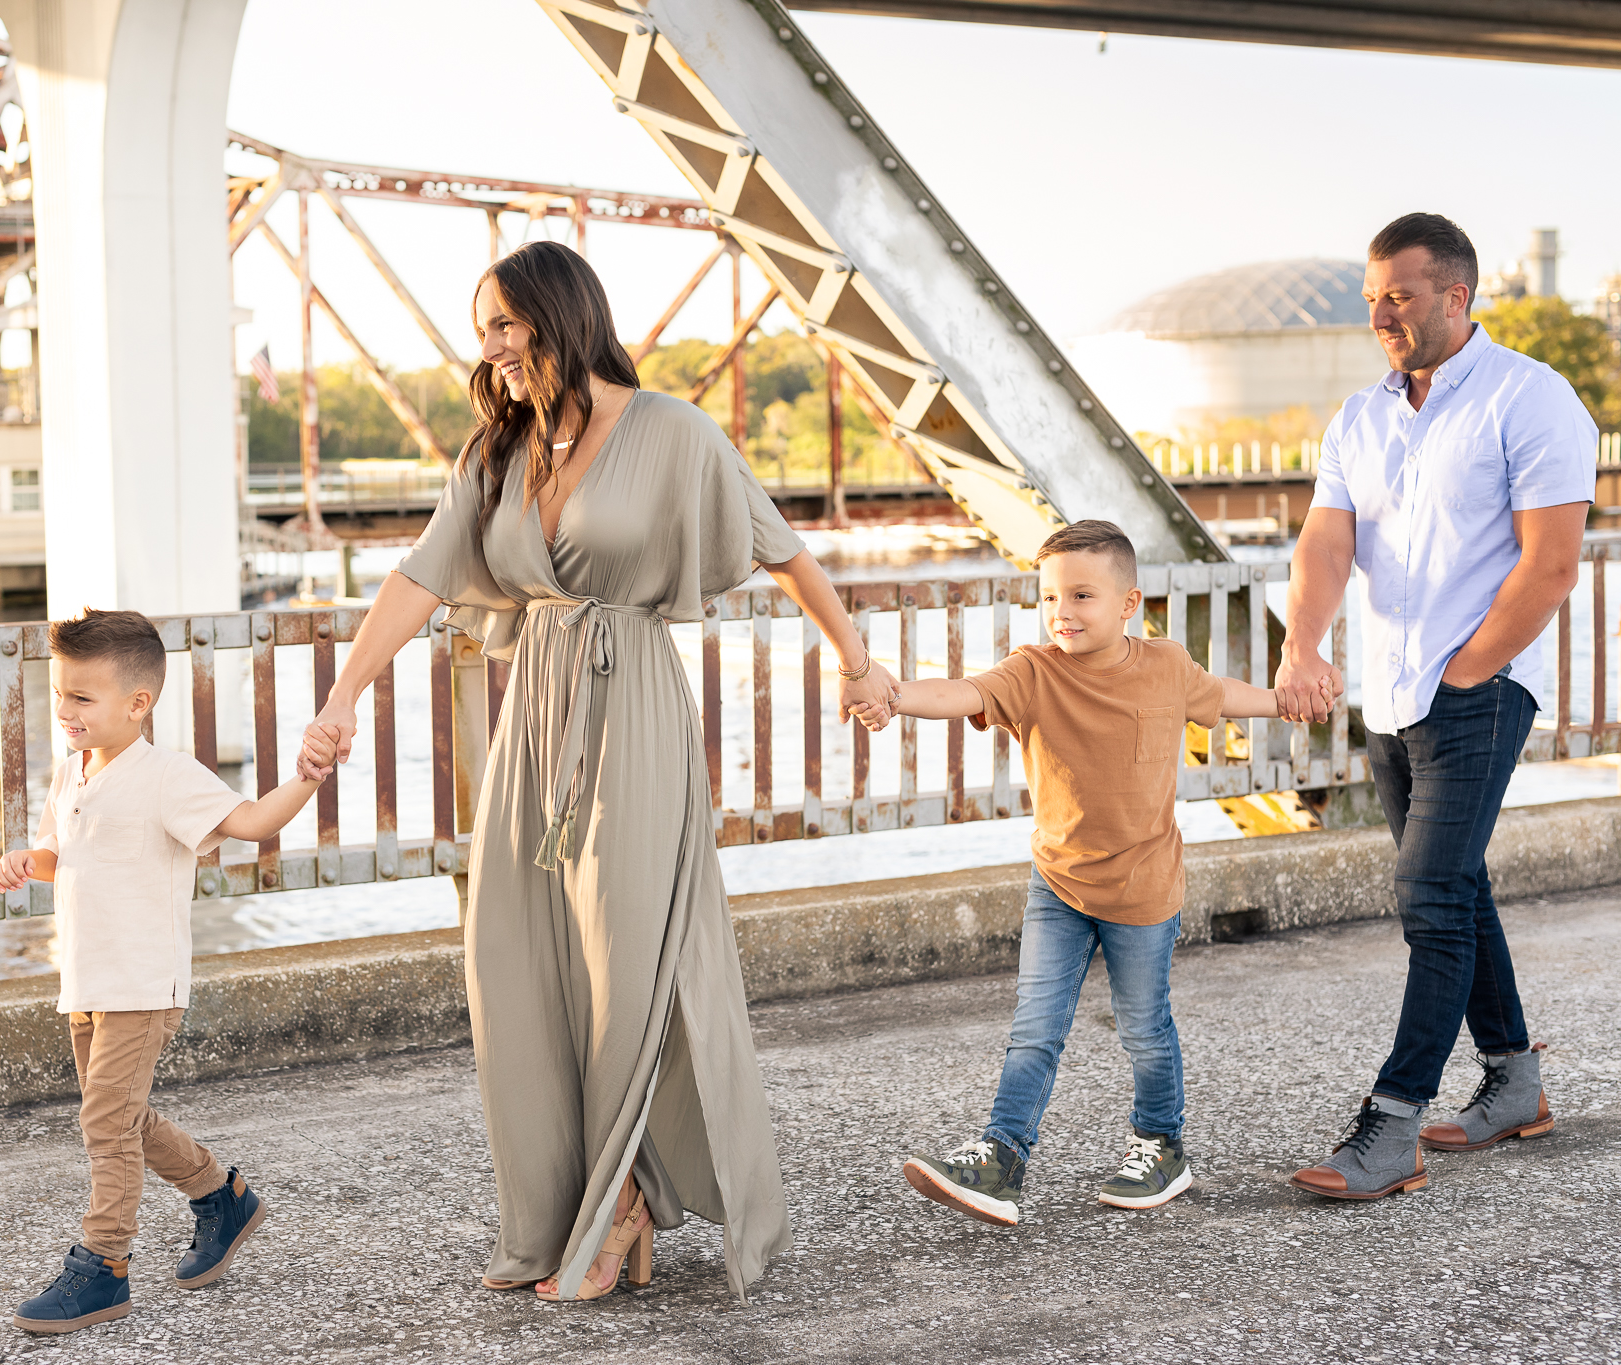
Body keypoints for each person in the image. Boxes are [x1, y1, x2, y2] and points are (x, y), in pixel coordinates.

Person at [291, 240, 897, 1302]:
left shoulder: (669, 431)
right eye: (481, 328)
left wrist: (855, 660)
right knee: (515, 954)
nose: (486, 348)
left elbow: (779, 547)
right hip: (532, 710)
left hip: (633, 709)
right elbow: (419, 576)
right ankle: (566, 1207)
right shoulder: (497, 451)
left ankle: (620, 1208)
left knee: (626, 957)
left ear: (557, 315)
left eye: (502, 325)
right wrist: (345, 696)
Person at [857, 520, 1310, 1226]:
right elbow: (964, 693)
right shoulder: (1033, 671)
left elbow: (1217, 696)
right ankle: (1002, 1154)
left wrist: (1286, 699)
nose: (1062, 612)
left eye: (1081, 595)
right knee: (1035, 1026)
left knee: (1143, 1027)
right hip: (1059, 885)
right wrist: (896, 692)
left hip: (1144, 889)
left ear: (1128, 603)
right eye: (1050, 597)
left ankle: (1161, 1144)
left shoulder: (1162, 666)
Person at [1278, 213, 1591, 1200]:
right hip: (1389, 691)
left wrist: (1467, 672)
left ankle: (1389, 1125)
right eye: (1370, 295)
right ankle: (1513, 1082)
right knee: (1456, 891)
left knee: (1427, 903)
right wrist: (1300, 643)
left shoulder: (1530, 401)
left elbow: (1547, 567)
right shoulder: (1357, 416)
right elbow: (1326, 545)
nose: (1379, 312)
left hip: (1478, 690)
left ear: (1455, 298)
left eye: (1398, 295)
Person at [0, 607, 337, 1333]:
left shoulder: (167, 777)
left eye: (82, 697)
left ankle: (103, 1266)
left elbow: (252, 821)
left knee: (105, 1122)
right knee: (123, 1117)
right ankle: (222, 1196)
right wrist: (29, 861)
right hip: (85, 981)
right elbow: (67, 855)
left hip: (142, 983)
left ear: (137, 702)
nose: (65, 709)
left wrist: (306, 777)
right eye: (61, 693)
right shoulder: (72, 771)